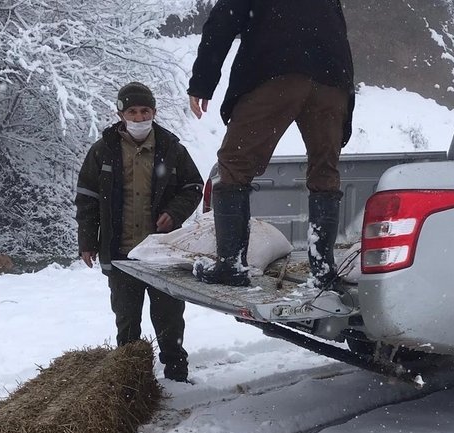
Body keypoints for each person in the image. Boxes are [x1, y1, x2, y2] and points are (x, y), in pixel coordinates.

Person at [188, 0, 355, 289]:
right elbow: (338, 29)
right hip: (332, 78)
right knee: (325, 172)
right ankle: (323, 270)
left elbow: (222, 21)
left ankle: (231, 265)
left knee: (235, 164)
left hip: (276, 68)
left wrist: (203, 81)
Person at [75, 82, 203, 382]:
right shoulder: (103, 151)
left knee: (169, 319)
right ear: (120, 114)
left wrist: (174, 213)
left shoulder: (171, 149)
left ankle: (176, 374)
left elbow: (193, 186)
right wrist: (87, 240)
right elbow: (87, 198)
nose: (139, 117)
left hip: (161, 255)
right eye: (132, 111)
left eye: (145, 111)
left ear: (154, 112)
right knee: (127, 322)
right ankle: (130, 381)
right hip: (121, 255)